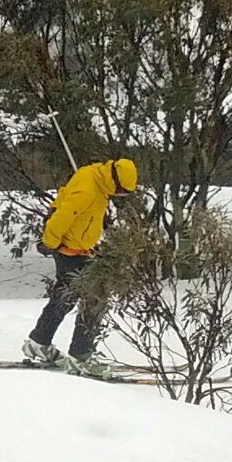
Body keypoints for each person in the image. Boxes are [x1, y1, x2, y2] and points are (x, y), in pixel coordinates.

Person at [22, 157, 138, 377]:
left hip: (78, 248)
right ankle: (80, 357)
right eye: (122, 190)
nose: (121, 195)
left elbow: (83, 213)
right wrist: (49, 243)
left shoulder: (97, 179)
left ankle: (39, 342)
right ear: (115, 180)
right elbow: (63, 215)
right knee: (95, 300)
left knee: (65, 298)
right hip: (70, 250)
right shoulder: (88, 188)